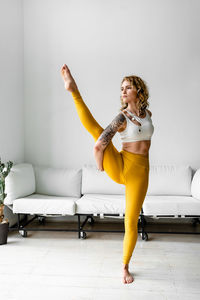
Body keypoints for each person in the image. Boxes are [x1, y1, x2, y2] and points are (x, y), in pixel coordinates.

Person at [61, 64, 154, 284]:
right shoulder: (122, 117)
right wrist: (100, 166)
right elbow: (98, 146)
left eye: (128, 87)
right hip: (122, 166)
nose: (123, 91)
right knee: (96, 129)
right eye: (121, 87)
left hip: (139, 172)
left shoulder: (147, 114)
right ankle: (73, 90)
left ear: (138, 91)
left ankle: (125, 265)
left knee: (131, 221)